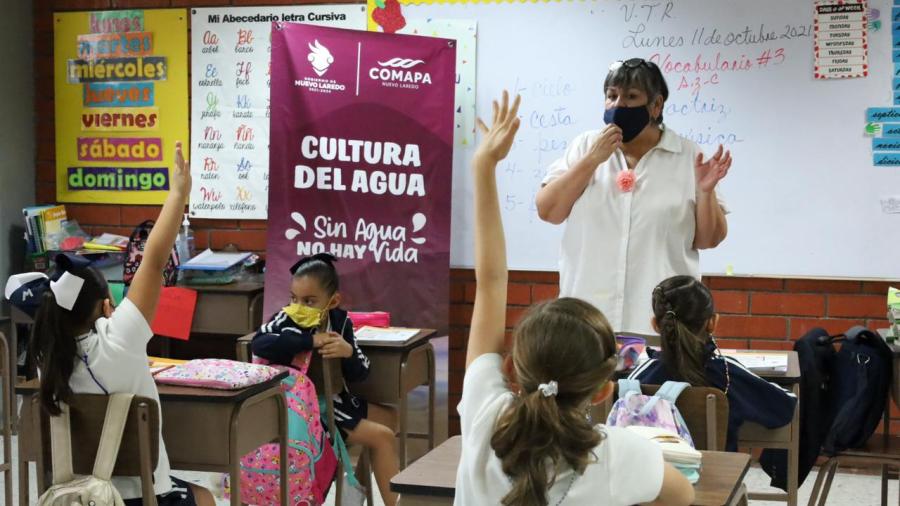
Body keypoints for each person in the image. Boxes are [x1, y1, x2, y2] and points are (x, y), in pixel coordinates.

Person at [455, 90, 695, 506]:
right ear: (604, 390)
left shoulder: (483, 415)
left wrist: (483, 165)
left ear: (512, 367)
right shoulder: (620, 454)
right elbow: (683, 497)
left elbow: (490, 281)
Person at [9, 142, 214, 505]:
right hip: (139, 497)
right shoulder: (122, 338)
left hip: (73, 495)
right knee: (205, 496)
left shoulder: (46, 356)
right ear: (108, 307)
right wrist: (179, 192)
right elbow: (152, 261)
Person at [535, 57, 732, 334]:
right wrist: (593, 159)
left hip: (660, 325)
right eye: (611, 96)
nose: (618, 105)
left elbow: (709, 239)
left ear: (656, 105)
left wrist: (706, 192)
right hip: (587, 321)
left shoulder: (687, 155)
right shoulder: (585, 147)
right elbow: (548, 211)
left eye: (630, 97)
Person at [251, 253, 399, 506]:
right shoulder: (286, 318)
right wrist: (310, 341)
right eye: (294, 298)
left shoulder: (341, 322)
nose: (299, 307)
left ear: (333, 301)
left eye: (309, 301)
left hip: (336, 401)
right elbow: (259, 343)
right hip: (305, 413)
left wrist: (348, 352)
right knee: (382, 437)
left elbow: (361, 372)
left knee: (392, 418)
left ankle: (352, 497)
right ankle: (382, 501)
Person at [629, 275, 797, 450]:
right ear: (712, 322)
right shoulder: (726, 373)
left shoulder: (640, 377)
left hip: (654, 475)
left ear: (656, 324)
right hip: (717, 475)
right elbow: (785, 406)